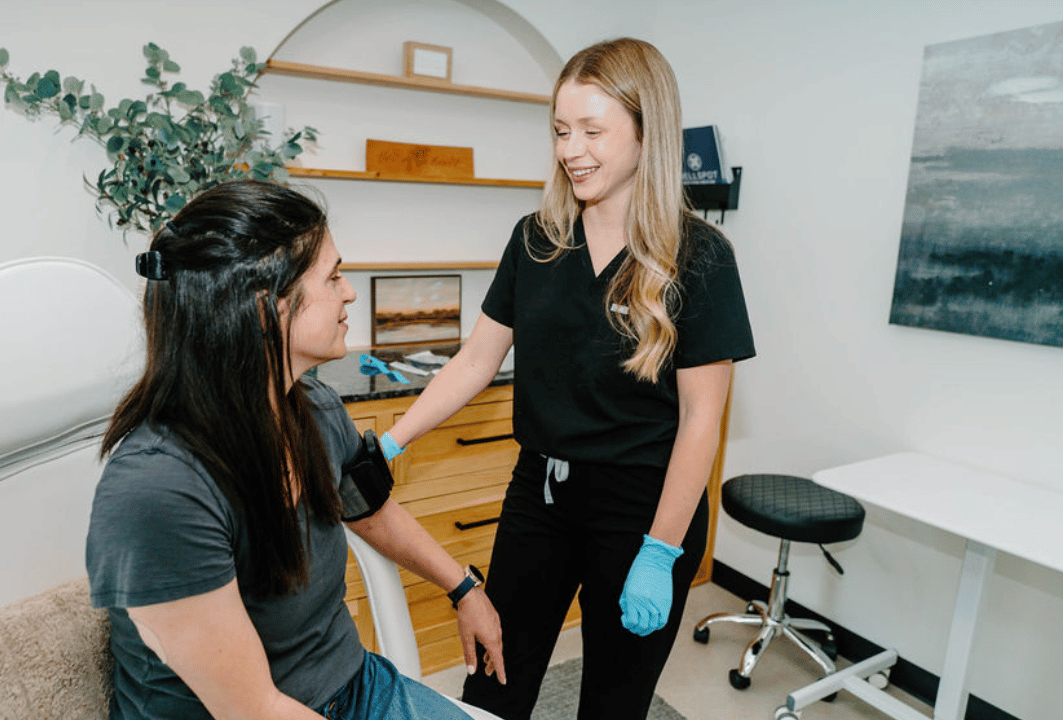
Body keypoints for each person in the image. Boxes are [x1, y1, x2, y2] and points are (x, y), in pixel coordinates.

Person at [379, 38, 755, 720]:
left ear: (648, 132)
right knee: (493, 684)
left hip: (644, 511)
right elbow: (473, 361)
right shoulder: (536, 239)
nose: (570, 149)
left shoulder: (701, 258)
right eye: (560, 130)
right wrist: (390, 443)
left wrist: (661, 551)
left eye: (592, 131)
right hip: (541, 499)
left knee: (612, 703)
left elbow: (702, 419)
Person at [85, 179, 505, 720]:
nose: (350, 291)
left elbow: (369, 509)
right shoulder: (157, 491)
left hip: (354, 687)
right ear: (268, 306)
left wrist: (464, 587)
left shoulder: (315, 407)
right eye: (332, 277)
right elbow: (254, 709)